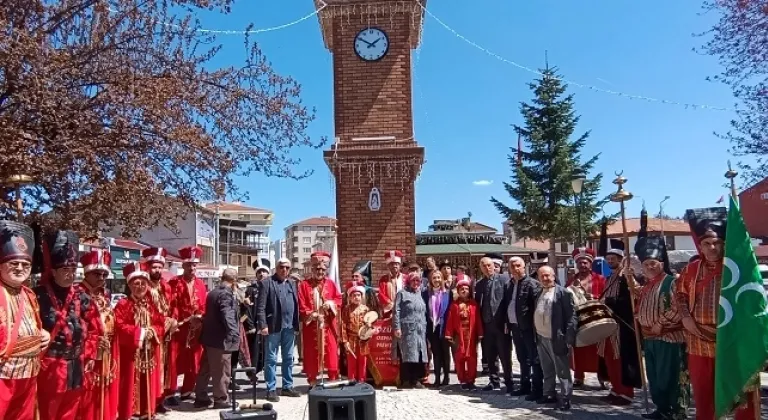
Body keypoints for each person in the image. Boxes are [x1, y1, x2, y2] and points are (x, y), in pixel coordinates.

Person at [676, 207, 759, 419]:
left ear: (724, 243)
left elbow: (753, 301)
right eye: (706, 243)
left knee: (742, 393)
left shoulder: (738, 267)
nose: (712, 247)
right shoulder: (691, 269)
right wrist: (685, 316)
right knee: (704, 394)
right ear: (700, 246)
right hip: (698, 342)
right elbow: (680, 295)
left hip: (733, 341)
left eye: (716, 243)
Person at [34, 230, 101, 420]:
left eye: (73, 270)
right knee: (48, 411)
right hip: (49, 367)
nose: (70, 275)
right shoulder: (37, 296)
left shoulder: (83, 297)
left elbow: (96, 330)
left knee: (70, 412)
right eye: (65, 270)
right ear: (53, 271)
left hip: (76, 365)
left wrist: (88, 355)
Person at [635, 236, 689, 420]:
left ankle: (677, 411)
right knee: (655, 378)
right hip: (650, 340)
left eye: (653, 263)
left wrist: (660, 323)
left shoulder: (671, 282)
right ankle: (662, 409)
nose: (650, 267)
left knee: (670, 376)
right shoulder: (646, 287)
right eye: (646, 264)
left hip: (669, 338)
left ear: (661, 262)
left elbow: (679, 307)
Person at [0, 221, 48, 420]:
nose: (20, 268)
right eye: (14, 263)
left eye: (25, 264)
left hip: (29, 373)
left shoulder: (29, 294)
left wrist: (42, 333)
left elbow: (35, 324)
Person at [113, 262, 165, 420]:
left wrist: (153, 331)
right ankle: (128, 413)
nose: (140, 287)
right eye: (136, 283)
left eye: (143, 283)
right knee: (129, 384)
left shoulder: (151, 305)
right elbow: (119, 326)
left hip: (150, 352)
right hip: (131, 353)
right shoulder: (123, 305)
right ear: (129, 285)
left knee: (149, 381)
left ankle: (147, 411)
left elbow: (160, 323)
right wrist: (140, 332)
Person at [78, 249, 120, 420]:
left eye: (104, 275)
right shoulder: (78, 295)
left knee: (104, 391)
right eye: (97, 274)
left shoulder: (103, 295)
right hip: (88, 354)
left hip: (107, 351)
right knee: (88, 394)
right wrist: (92, 343)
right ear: (87, 273)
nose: (101, 278)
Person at [599, 239, 642, 405]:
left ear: (620, 260)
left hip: (622, 325)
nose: (610, 261)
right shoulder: (610, 278)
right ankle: (615, 389)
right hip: (609, 323)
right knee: (610, 358)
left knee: (622, 359)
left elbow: (633, 297)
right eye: (608, 258)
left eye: (613, 259)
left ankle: (626, 392)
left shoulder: (627, 276)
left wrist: (608, 302)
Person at [194, 268, 240, 409]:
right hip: (221, 339)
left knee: (206, 369)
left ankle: (201, 396)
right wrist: (234, 333)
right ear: (234, 281)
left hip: (209, 337)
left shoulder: (213, 292)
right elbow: (228, 315)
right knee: (222, 370)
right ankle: (220, 399)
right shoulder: (226, 295)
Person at [255, 257, 300, 402]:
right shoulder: (266, 283)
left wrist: (296, 324)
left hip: (289, 327)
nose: (284, 270)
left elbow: (295, 304)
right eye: (281, 267)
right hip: (273, 326)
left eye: (287, 267)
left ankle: (287, 386)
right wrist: (263, 325)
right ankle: (271, 388)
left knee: (288, 358)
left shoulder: (292, 284)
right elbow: (260, 307)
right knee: (271, 359)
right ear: (276, 267)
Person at [166, 245, 207, 404]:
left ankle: (187, 390)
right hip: (178, 329)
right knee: (174, 360)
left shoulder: (201, 284)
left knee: (194, 361)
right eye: (189, 264)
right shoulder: (174, 282)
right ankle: (170, 393)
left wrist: (200, 317)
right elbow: (170, 305)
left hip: (195, 329)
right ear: (183, 265)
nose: (192, 268)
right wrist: (177, 319)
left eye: (194, 265)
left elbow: (204, 305)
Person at [533, 265, 577, 411]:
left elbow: (571, 317)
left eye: (547, 275)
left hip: (557, 338)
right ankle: (549, 394)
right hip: (541, 337)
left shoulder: (563, 293)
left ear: (553, 275)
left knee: (562, 370)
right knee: (547, 369)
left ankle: (565, 398)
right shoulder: (539, 291)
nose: (545, 279)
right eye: (542, 276)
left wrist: (568, 338)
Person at [298, 251, 343, 386]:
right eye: (317, 268)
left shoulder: (331, 284)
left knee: (331, 352)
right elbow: (301, 303)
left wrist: (331, 304)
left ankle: (332, 379)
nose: (320, 271)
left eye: (323, 269)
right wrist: (313, 314)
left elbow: (339, 299)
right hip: (312, 324)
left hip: (329, 324)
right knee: (312, 353)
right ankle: (312, 381)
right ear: (312, 269)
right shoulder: (304, 285)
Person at [566, 247, 606, 388]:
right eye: (580, 263)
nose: (583, 265)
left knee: (599, 349)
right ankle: (578, 376)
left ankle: (602, 376)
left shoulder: (600, 279)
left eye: (585, 263)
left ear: (590, 264)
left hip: (596, 318)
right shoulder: (571, 281)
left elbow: (606, 297)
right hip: (578, 319)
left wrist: (594, 298)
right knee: (579, 348)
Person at [143, 246, 177, 412]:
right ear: (148, 267)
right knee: (152, 368)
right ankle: (148, 402)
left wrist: (173, 321)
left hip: (166, 335)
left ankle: (160, 400)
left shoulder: (166, 286)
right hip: (151, 334)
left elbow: (172, 307)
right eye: (154, 267)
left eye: (159, 267)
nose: (157, 270)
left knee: (165, 367)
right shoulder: (143, 286)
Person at [505, 256, 543, 400]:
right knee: (522, 358)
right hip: (515, 327)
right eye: (512, 266)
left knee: (534, 358)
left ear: (524, 266)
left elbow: (537, 307)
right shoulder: (509, 285)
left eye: (518, 266)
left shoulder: (533, 284)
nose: (515, 268)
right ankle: (524, 386)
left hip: (529, 328)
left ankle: (537, 388)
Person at [475, 256, 512, 392]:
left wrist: (508, 322)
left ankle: (509, 381)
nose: (487, 268)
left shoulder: (504, 280)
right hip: (486, 324)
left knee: (505, 355)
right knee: (490, 355)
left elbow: (508, 302)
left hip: (501, 324)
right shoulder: (479, 284)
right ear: (481, 268)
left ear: (494, 266)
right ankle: (494, 380)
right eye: (484, 266)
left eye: (489, 265)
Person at [444, 278, 482, 390]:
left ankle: (471, 380)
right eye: (462, 289)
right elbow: (450, 320)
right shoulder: (454, 305)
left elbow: (478, 319)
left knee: (472, 358)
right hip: (458, 335)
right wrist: (449, 334)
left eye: (466, 289)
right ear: (458, 291)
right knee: (459, 358)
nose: (464, 291)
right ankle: (463, 380)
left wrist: (480, 333)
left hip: (471, 335)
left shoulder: (474, 304)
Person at [392, 272, 428, 389]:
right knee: (407, 354)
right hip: (407, 329)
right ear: (408, 281)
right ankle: (406, 380)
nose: (416, 283)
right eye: (413, 281)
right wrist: (397, 327)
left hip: (420, 329)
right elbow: (396, 311)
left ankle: (416, 379)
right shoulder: (402, 294)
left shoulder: (420, 294)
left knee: (419, 354)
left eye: (418, 281)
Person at [423, 269, 452, 387]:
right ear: (430, 280)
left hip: (444, 327)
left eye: (439, 277)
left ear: (442, 279)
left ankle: (446, 376)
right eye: (434, 278)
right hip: (432, 327)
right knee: (436, 353)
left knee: (445, 352)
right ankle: (437, 378)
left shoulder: (448, 293)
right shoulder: (425, 293)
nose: (437, 280)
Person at [243, 261, 270, 381]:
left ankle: (267, 372)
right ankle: (251, 373)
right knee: (253, 351)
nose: (262, 274)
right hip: (254, 325)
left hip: (267, 325)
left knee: (267, 351)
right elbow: (246, 309)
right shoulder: (250, 290)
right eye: (259, 272)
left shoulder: (271, 287)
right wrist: (249, 326)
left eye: (264, 271)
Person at [340, 281, 370, 382]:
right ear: (350, 297)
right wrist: (345, 341)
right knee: (351, 361)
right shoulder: (346, 309)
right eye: (354, 295)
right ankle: (351, 381)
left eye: (358, 295)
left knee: (362, 362)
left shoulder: (366, 309)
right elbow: (343, 325)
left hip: (363, 340)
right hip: (351, 339)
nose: (356, 297)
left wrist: (369, 328)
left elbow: (369, 325)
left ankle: (362, 382)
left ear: (361, 297)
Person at [378, 250, 405, 318]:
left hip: (404, 309)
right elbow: (381, 294)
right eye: (392, 264)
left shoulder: (405, 278)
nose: (394, 266)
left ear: (400, 265)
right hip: (389, 310)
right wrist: (392, 305)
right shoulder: (383, 279)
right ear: (388, 266)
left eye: (396, 264)